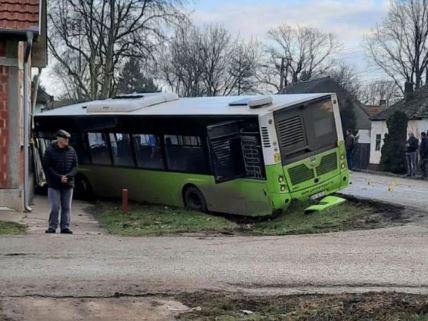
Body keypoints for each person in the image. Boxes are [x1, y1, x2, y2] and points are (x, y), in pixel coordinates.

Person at [43, 129, 78, 234]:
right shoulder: (50, 150)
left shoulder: (71, 150)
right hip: (54, 184)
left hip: (68, 183)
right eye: (65, 138)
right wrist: (59, 177)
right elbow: (47, 167)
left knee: (66, 207)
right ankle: (52, 226)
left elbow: (75, 166)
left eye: (68, 138)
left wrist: (68, 176)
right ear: (59, 139)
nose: (67, 140)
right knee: (55, 206)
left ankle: (65, 227)